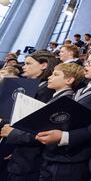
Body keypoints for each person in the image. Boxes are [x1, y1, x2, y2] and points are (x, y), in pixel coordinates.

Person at [1, 51, 59, 181]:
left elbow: (35, 124)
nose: (23, 66)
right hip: (18, 149)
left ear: (43, 65)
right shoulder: (34, 86)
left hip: (30, 156)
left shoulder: (46, 90)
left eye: (28, 63)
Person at [35, 63, 85, 180]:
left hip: (56, 158)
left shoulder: (66, 100)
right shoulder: (56, 97)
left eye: (56, 74)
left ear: (69, 80)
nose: (49, 77)